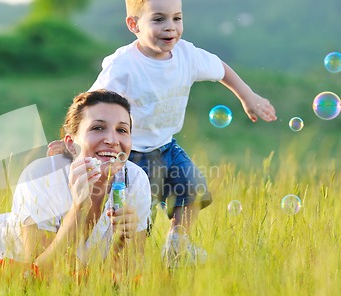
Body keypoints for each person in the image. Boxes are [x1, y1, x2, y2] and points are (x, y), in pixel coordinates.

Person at [49, 0, 277, 268]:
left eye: (176, 19)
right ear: (134, 25)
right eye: (158, 20)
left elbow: (221, 69)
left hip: (167, 146)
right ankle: (120, 266)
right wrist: (72, 141)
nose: (170, 28)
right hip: (127, 156)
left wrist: (247, 96)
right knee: (134, 217)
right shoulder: (123, 65)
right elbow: (89, 105)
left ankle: (178, 241)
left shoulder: (187, 55)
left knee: (192, 189)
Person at [0, 90, 151, 279]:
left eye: (122, 130)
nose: (112, 140)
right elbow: (37, 274)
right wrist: (78, 210)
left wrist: (123, 240)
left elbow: (124, 279)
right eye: (98, 128)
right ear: (71, 145)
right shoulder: (41, 175)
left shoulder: (135, 180)